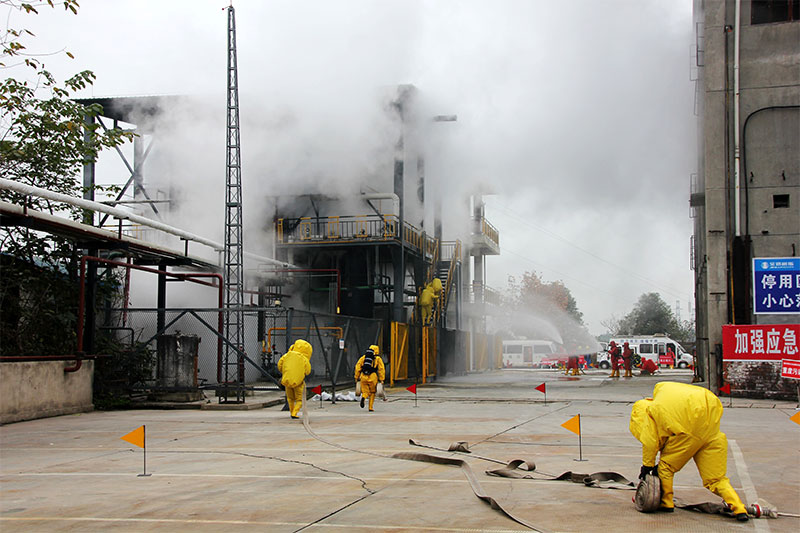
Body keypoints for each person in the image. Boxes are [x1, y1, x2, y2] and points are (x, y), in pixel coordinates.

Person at [629, 382, 749, 521]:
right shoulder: (664, 397)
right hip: (711, 430)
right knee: (716, 479)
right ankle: (739, 508)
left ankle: (666, 503)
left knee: (666, 467)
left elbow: (650, 442)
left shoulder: (648, 413)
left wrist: (647, 467)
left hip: (688, 432)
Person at [277, 339, 312, 419]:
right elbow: (308, 371)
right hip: (298, 382)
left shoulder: (287, 355)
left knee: (290, 398)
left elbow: (279, 365)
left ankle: (291, 411)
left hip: (287, 380)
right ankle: (294, 413)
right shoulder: (304, 359)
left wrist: (286, 371)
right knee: (300, 399)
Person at [355, 345, 386, 412]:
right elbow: (381, 369)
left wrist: (356, 377)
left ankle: (363, 397)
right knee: (372, 392)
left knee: (365, 391)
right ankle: (370, 407)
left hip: (363, 376)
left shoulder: (363, 357)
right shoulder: (378, 359)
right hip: (373, 376)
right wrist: (382, 379)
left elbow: (357, 367)